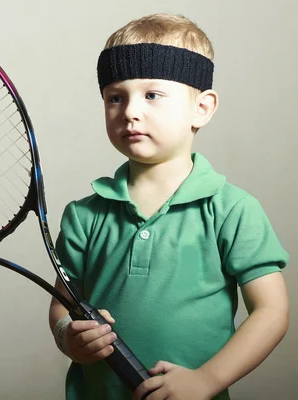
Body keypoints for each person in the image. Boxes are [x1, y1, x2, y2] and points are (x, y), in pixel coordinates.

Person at [48, 13, 289, 400]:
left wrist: (207, 380)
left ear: (202, 108)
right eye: (115, 97)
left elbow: (271, 312)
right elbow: (63, 305)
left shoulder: (232, 210)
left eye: (152, 95)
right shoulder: (85, 215)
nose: (129, 111)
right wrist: (67, 336)